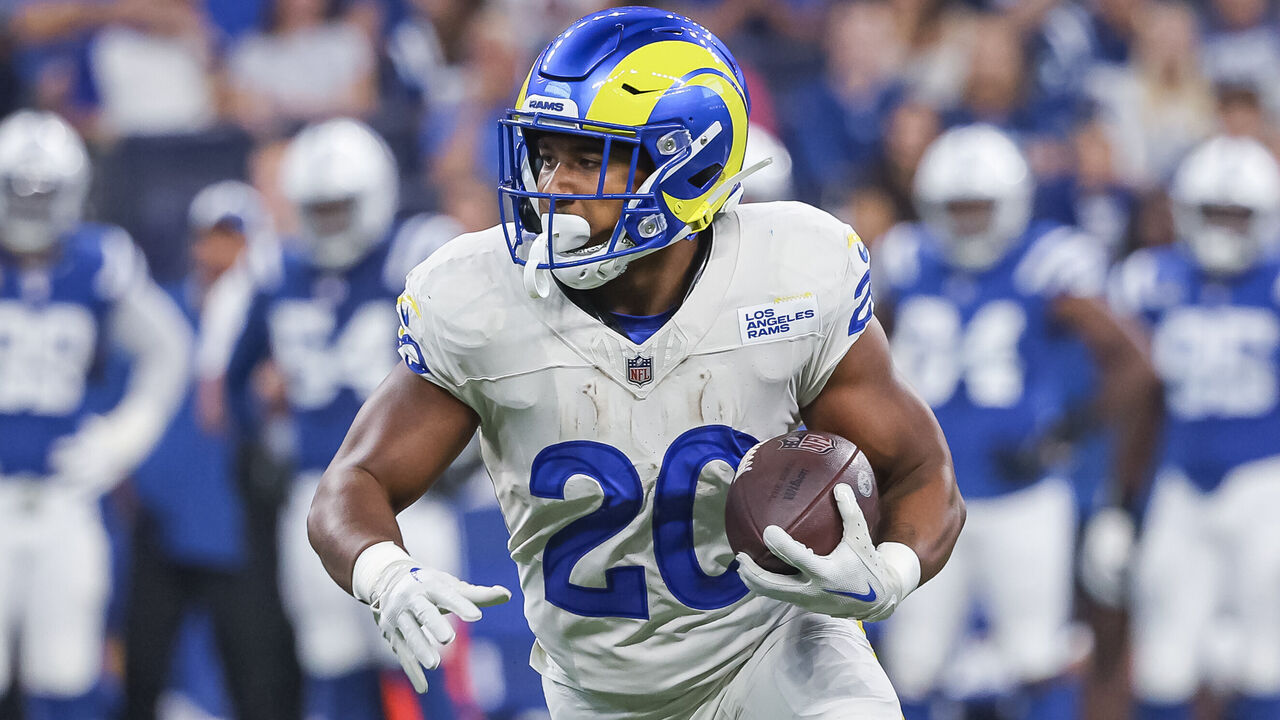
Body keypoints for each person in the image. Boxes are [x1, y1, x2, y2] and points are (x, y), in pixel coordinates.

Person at [307, 7, 965, 719]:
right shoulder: (480, 298)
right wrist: (385, 571)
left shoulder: (791, 272)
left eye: (588, 158)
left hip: (780, 653)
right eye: (546, 154)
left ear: (691, 165)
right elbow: (353, 482)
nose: (553, 184)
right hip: (603, 695)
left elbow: (924, 474)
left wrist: (888, 574)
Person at [871, 124, 1161, 720]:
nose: (969, 222)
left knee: (1037, 658)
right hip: (926, 493)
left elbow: (1135, 364)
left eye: (981, 207)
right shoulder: (906, 257)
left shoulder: (1047, 261)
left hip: (1023, 493)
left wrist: (1066, 435)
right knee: (913, 665)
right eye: (957, 207)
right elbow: (853, 359)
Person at [224, 118, 468, 720]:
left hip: (410, 498)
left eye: (342, 206)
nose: (329, 221)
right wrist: (266, 440)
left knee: (428, 667)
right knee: (332, 672)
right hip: (317, 497)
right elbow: (231, 379)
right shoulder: (275, 270)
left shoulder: (417, 253)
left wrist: (461, 454)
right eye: (319, 208)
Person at [0, 109, 190, 720]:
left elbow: (170, 351)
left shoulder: (99, 260)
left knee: (69, 675)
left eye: (43, 192)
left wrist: (122, 441)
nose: (30, 206)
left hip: (64, 497)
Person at [1107, 135, 1280, 720]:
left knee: (1267, 660)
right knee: (1163, 664)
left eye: (1239, 216)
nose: (1225, 229)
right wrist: (1118, 507)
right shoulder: (1151, 279)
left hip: (1266, 482)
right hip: (1178, 485)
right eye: (1214, 213)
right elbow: (1128, 404)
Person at [121, 180, 299, 720]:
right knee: (142, 673)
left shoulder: (276, 319)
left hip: (241, 522)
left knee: (258, 676)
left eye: (235, 238)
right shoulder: (158, 312)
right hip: (162, 518)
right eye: (214, 237)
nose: (222, 252)